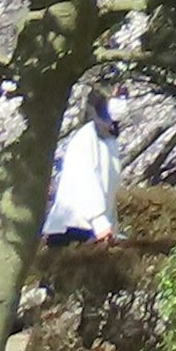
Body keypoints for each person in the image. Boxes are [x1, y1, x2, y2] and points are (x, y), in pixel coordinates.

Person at [41, 92, 123, 246]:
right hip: (73, 228)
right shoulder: (85, 138)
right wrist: (100, 222)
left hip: (95, 228)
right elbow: (87, 182)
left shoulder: (110, 141)